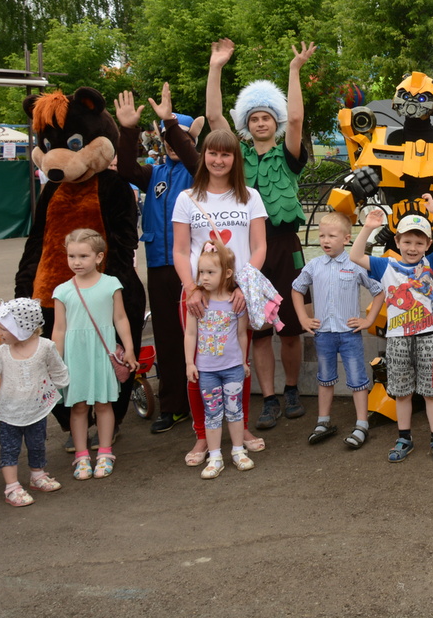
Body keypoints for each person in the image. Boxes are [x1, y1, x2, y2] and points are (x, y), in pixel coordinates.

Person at [206, 38, 314, 430]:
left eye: (267, 117)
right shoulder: (238, 155)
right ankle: (268, 398)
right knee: (261, 330)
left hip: (285, 246)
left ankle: (290, 389)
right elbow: (214, 118)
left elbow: (297, 120)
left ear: (275, 121)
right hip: (250, 249)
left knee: (291, 328)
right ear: (246, 124)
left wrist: (294, 70)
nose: (261, 123)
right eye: (254, 118)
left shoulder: (288, 153)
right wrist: (216, 67)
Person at [173, 129, 268, 466]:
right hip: (199, 296)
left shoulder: (250, 197)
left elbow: (259, 247)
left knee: (238, 365)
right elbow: (180, 251)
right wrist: (191, 289)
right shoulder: (187, 198)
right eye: (212, 153)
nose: (218, 160)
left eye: (226, 154)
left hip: (236, 296)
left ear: (235, 159)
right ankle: (203, 434)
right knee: (199, 366)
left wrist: (243, 286)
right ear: (204, 157)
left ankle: (242, 430)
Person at [114, 83, 202, 434]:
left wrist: (170, 124)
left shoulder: (199, 171)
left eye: (179, 137)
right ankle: (174, 406)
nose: (172, 144)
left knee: (200, 335)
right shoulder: (155, 174)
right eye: (166, 138)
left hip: (194, 268)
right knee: (166, 338)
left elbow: (193, 158)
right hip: (159, 266)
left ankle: (205, 400)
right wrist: (128, 130)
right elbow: (125, 170)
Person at [351, 196, 433, 462]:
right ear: (397, 241)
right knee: (402, 392)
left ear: (428, 245)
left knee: (432, 392)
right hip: (397, 339)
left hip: (429, 337)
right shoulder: (385, 265)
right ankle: (404, 438)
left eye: (419, 242)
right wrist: (368, 227)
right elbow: (355, 255)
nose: (413, 247)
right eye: (407, 241)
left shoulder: (431, 264)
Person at [293, 213, 385, 451]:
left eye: (332, 236)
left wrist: (369, 320)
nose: (325, 240)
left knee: (357, 379)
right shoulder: (314, 266)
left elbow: (379, 291)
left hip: (349, 334)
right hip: (323, 334)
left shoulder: (355, 265)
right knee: (325, 378)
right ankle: (323, 422)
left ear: (346, 239)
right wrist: (303, 317)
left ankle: (362, 424)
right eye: (322, 235)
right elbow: (296, 288)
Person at [52, 229, 137, 481]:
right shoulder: (62, 291)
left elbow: (120, 318)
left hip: (102, 353)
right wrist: (55, 361)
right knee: (78, 406)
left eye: (83, 256)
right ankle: (81, 456)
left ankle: (105, 452)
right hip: (75, 356)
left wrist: (130, 348)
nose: (76, 262)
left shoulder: (111, 284)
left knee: (103, 403)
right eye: (71, 256)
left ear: (99, 257)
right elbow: (59, 329)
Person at [0, 299, 68, 506]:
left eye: (4, 329)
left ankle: (37, 475)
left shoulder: (45, 347)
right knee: (9, 449)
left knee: (37, 444)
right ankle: (12, 487)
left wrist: (59, 385)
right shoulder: (0, 353)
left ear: (22, 328)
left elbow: (58, 368)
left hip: (37, 409)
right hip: (9, 412)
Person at [184, 242, 253, 480]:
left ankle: (238, 451)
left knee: (235, 410)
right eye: (201, 272)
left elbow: (242, 334)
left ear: (227, 273)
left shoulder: (236, 303)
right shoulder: (197, 303)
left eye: (210, 272)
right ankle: (215, 456)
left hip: (233, 368)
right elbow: (190, 334)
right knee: (212, 413)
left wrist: (243, 361)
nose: (204, 277)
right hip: (207, 370)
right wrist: (190, 363)